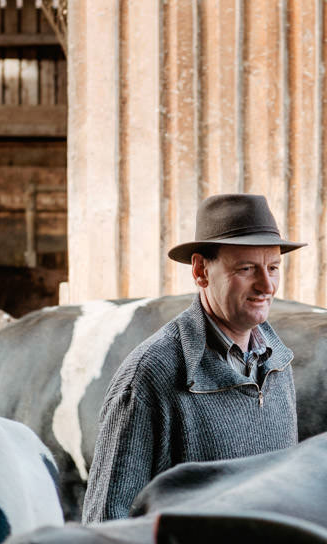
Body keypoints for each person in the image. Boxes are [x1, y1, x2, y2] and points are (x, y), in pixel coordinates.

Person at [81, 194, 307, 523]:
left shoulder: (277, 364)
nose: (266, 285)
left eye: (273, 268)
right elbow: (106, 523)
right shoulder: (149, 377)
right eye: (246, 269)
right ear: (201, 271)